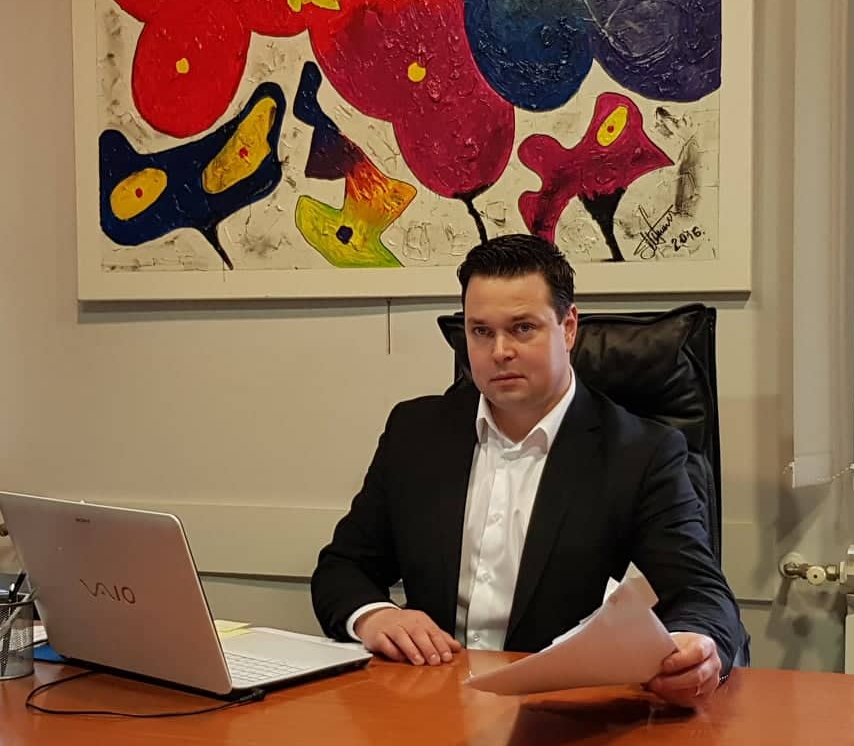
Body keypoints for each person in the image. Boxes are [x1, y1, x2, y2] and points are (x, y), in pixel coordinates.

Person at [310, 234, 748, 708]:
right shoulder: (416, 432)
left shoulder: (640, 452)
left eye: (522, 328)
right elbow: (344, 567)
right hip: (431, 704)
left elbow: (702, 594)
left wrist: (698, 645)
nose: (500, 351)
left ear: (568, 327)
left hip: (561, 710)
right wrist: (375, 616)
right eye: (481, 331)